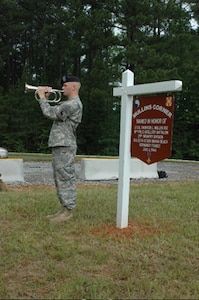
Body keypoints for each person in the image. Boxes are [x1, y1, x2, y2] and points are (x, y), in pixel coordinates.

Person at [37, 75, 83, 223]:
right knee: (60, 178)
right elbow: (54, 109)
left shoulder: (73, 104)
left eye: (65, 85)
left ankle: (68, 210)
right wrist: (46, 98)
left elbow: (50, 113)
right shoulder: (68, 103)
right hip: (61, 144)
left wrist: (42, 97)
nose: (62, 87)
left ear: (74, 87)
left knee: (65, 177)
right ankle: (64, 208)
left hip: (65, 145)